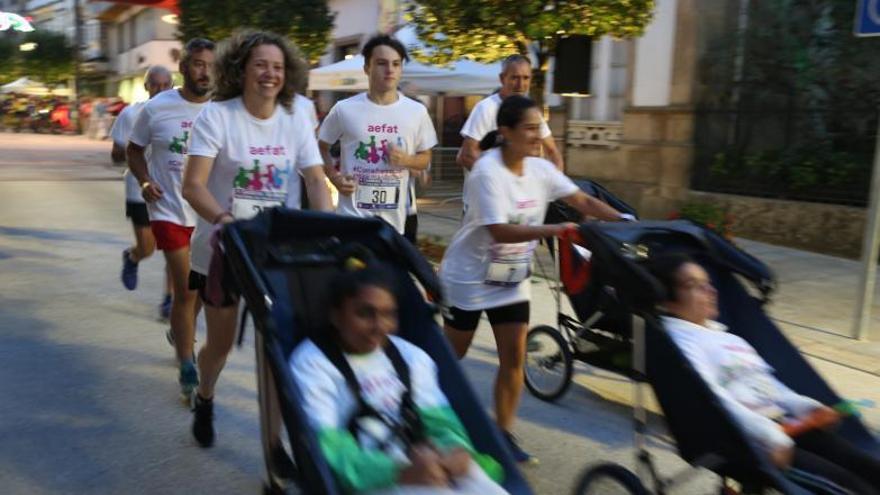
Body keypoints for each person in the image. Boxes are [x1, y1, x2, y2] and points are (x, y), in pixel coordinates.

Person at [439, 95, 630, 464]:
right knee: (452, 356)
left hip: (510, 279)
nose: (537, 135)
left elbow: (583, 201)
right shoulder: (487, 172)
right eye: (529, 128)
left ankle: (503, 435)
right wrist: (556, 228)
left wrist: (624, 223)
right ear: (506, 132)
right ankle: (422, 407)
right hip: (470, 278)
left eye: (539, 127)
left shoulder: (540, 170)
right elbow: (499, 231)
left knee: (514, 357)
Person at [182, 30, 333, 448]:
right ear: (242, 70)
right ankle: (206, 394)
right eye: (261, 65)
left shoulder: (295, 118)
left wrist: (328, 228)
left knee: (276, 351)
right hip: (225, 246)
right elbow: (193, 186)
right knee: (221, 344)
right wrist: (225, 219)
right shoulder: (217, 116)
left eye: (278, 67)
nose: (270, 74)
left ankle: (274, 450)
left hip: (277, 249)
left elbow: (316, 180)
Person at [648, 254, 880, 495]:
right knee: (854, 489)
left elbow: (769, 386)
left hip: (784, 427)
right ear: (668, 301)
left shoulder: (729, 338)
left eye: (707, 282)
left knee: (867, 467)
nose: (710, 290)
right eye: (693, 285)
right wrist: (770, 436)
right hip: (750, 442)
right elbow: (715, 399)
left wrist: (806, 407)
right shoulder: (679, 342)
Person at [289, 263, 508, 494]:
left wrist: (456, 451)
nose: (379, 326)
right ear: (336, 315)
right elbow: (330, 450)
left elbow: (440, 421)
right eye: (365, 313)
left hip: (424, 461)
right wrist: (399, 471)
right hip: (368, 474)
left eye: (388, 314)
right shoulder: (313, 364)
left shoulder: (410, 357)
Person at [127, 38, 216, 399]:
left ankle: (181, 330)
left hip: (208, 214)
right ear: (184, 67)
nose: (205, 71)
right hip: (168, 210)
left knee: (201, 294)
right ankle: (186, 362)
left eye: (211, 65)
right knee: (186, 289)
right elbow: (134, 150)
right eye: (197, 64)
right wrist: (145, 180)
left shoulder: (225, 109)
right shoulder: (158, 107)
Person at [319, 34, 438, 236]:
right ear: (367, 68)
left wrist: (407, 159)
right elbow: (320, 146)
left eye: (396, 64)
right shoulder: (344, 109)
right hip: (353, 217)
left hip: (398, 220)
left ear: (401, 69)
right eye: (382, 63)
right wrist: (335, 177)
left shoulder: (416, 111)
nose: (389, 70)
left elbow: (426, 159)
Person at [111, 65, 174, 319]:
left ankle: (169, 299)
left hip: (172, 190)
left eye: (164, 84)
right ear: (146, 87)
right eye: (154, 84)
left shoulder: (180, 114)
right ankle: (133, 256)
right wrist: (128, 149)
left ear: (171, 86)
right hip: (139, 188)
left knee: (175, 248)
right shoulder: (130, 114)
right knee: (148, 247)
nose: (159, 89)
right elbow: (116, 156)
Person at [456, 54, 564, 172]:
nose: (520, 84)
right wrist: (498, 183)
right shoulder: (486, 108)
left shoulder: (531, 111)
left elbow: (553, 152)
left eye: (525, 78)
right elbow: (466, 156)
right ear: (502, 78)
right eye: (514, 78)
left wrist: (557, 183)